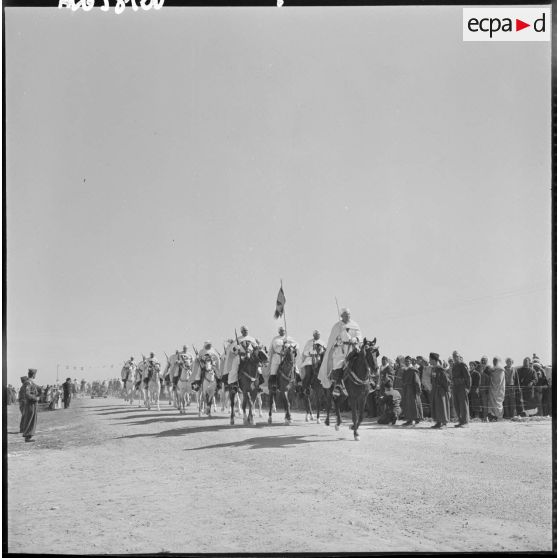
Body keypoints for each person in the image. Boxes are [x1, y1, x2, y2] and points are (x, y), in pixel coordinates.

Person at [318, 308, 362, 396]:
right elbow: (331, 340)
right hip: (341, 350)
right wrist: (338, 341)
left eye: (348, 314)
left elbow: (359, 336)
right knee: (338, 363)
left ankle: (370, 381)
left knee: (364, 359)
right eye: (345, 315)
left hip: (353, 348)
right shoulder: (337, 326)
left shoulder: (355, 325)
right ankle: (338, 385)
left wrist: (355, 338)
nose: (347, 316)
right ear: (341, 316)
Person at [267, 326, 299, 392]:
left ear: (285, 331)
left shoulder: (289, 338)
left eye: (283, 331)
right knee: (273, 370)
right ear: (279, 332)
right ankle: (273, 385)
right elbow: (271, 348)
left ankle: (298, 384)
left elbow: (296, 345)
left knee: (295, 369)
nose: (282, 332)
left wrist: (289, 343)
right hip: (277, 357)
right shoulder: (275, 339)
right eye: (281, 331)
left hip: (287, 357)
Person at [430, 353, 450, 429]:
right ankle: (438, 422)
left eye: (430, 359)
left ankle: (444, 423)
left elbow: (446, 380)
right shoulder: (433, 369)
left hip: (441, 390)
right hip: (435, 389)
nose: (429, 361)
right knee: (436, 406)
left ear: (434, 360)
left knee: (442, 406)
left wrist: (446, 390)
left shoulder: (440, 369)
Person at [401, 356, 422, 426]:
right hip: (406, 389)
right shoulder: (405, 370)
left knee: (413, 404)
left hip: (412, 389)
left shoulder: (413, 370)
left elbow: (417, 381)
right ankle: (409, 419)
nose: (407, 362)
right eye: (406, 361)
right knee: (407, 404)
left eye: (408, 361)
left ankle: (414, 419)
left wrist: (418, 390)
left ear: (411, 362)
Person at [451, 351, 471, 427]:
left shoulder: (462, 365)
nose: (455, 358)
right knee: (457, 404)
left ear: (459, 357)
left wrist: (468, 388)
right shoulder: (454, 365)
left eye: (456, 356)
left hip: (462, 387)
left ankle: (465, 422)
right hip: (455, 387)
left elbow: (468, 377)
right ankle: (460, 421)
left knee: (463, 405)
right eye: (453, 356)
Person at [21, 369, 39, 442]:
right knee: (30, 419)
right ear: (33, 375)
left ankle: (29, 436)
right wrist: (35, 398)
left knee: (32, 419)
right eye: (35, 374)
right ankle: (27, 436)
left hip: (32, 403)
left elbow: (37, 389)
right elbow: (27, 394)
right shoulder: (28, 383)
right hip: (30, 403)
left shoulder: (31, 382)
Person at [486, 357, 505, 421]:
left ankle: (499, 416)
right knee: (492, 402)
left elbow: (499, 380)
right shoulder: (493, 369)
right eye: (493, 360)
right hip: (493, 389)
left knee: (498, 402)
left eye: (495, 361)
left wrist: (491, 373)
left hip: (499, 389)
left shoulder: (500, 370)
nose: (494, 362)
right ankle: (493, 416)